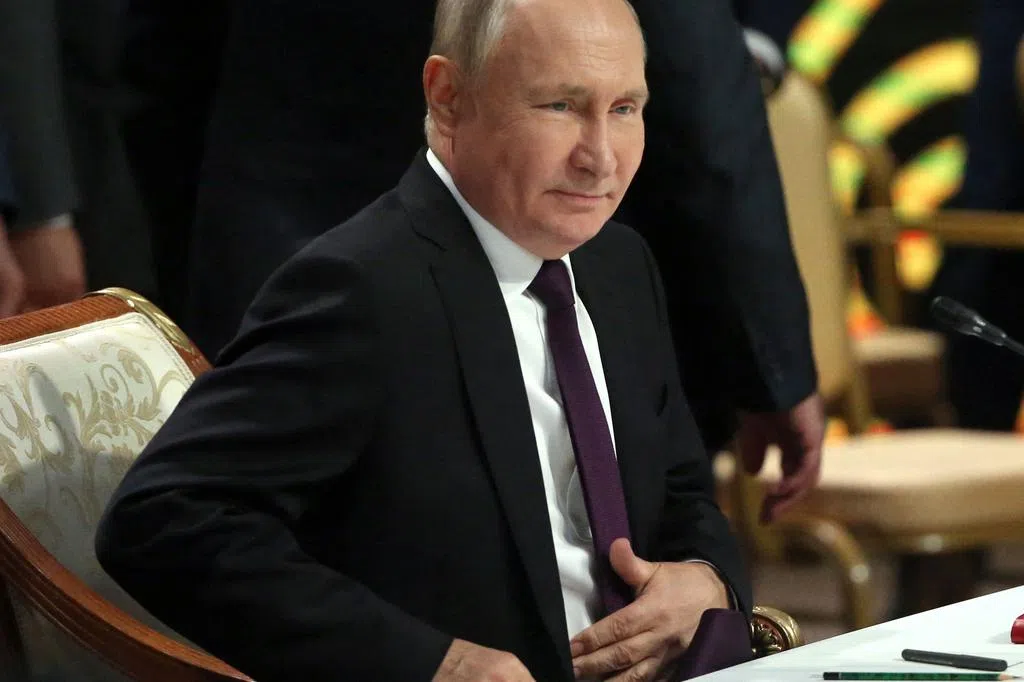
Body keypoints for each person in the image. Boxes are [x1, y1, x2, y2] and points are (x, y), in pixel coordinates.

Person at [96, 0, 750, 680]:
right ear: (448, 98)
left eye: (624, 109)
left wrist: (705, 578)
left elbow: (679, 488)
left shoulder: (619, 264)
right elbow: (163, 520)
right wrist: (432, 665)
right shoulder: (362, 290)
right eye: (560, 106)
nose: (600, 158)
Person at [120, 0, 824, 524]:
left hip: (267, 228)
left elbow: (159, 64)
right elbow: (700, 94)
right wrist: (770, 359)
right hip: (495, 255)